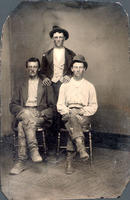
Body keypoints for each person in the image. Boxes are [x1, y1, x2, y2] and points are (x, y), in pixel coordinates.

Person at [9, 57, 55, 175]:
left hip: (38, 115)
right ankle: (34, 150)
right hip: (24, 111)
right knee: (26, 116)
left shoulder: (46, 84)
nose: (32, 69)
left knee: (22, 125)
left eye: (35, 67)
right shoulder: (21, 85)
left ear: (38, 68)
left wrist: (41, 113)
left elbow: (52, 107)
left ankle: (21, 162)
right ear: (26, 68)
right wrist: (25, 111)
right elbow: (12, 105)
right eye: (30, 67)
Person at [57, 54, 98, 174]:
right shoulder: (65, 85)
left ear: (84, 69)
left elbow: (94, 105)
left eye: (81, 67)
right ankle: (81, 148)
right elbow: (60, 105)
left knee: (73, 123)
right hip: (67, 114)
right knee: (72, 117)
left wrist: (83, 111)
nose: (78, 70)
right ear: (71, 69)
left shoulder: (89, 86)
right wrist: (68, 111)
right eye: (76, 67)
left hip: (83, 116)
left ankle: (69, 162)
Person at [39, 25, 76, 101]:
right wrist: (45, 78)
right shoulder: (46, 55)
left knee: (65, 104)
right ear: (52, 38)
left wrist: (69, 76)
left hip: (66, 83)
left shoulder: (71, 54)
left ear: (64, 38)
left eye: (60, 37)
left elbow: (75, 69)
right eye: (56, 37)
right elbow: (41, 72)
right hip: (51, 84)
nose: (58, 39)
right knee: (52, 106)